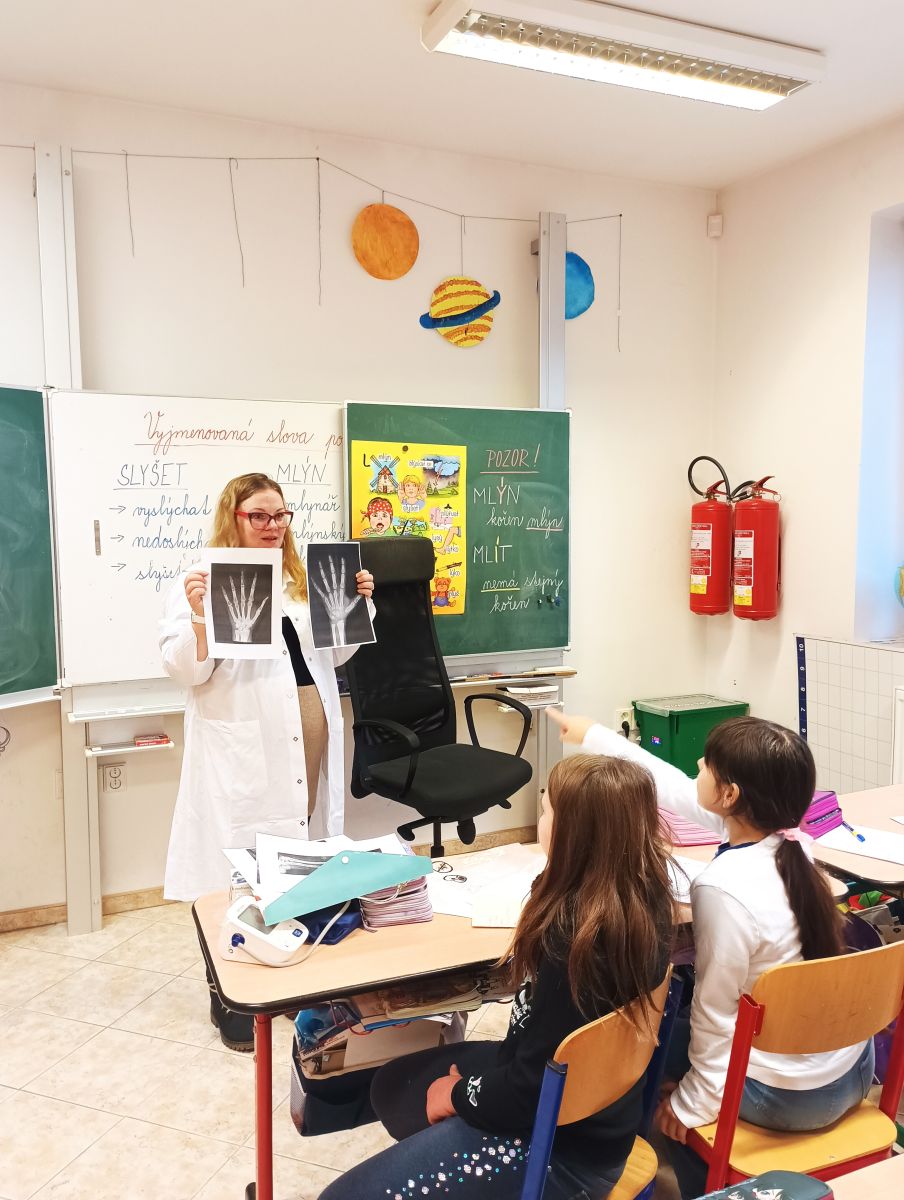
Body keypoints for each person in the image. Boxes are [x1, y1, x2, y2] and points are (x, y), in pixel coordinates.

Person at [317, 753, 675, 1200]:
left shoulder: (574, 941)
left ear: (574, 834)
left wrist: (459, 1095)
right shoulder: (642, 898)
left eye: (546, 810)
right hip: (575, 1112)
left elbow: (529, 1092)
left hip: (557, 1152)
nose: (540, 818)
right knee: (393, 1087)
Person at [548, 709, 874, 1200]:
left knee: (644, 1039)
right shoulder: (794, 847)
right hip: (850, 1073)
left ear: (730, 795)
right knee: (675, 1035)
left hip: (789, 1098)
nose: (697, 765)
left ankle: (699, 1176)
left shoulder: (722, 888)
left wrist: (690, 1104)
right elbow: (675, 787)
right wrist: (592, 735)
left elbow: (716, 1015)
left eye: (706, 764)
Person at [159, 472, 374, 1049]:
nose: (273, 525)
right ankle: (230, 994)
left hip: (308, 734)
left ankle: (279, 972)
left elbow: (336, 655)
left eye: (280, 515)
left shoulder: (303, 580)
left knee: (294, 857)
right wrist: (200, 616)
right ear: (234, 517)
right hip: (243, 748)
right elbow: (185, 670)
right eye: (259, 515)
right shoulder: (203, 581)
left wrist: (357, 605)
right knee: (236, 870)